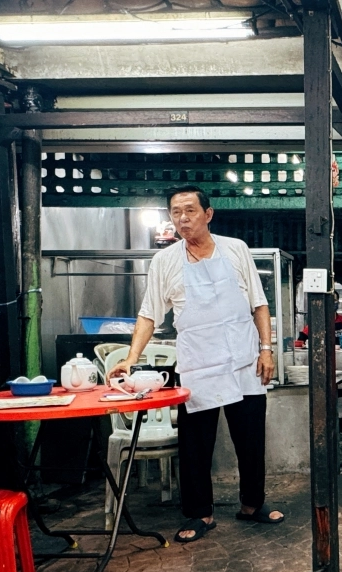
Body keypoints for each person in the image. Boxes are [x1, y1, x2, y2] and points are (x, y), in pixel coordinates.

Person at [108, 186, 284, 543]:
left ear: (208, 214)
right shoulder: (165, 261)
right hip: (199, 363)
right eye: (176, 212)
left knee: (249, 439)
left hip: (243, 360)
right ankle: (200, 513)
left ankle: (252, 504)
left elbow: (259, 305)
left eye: (190, 210)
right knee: (195, 444)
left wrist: (267, 349)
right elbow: (148, 315)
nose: (183, 218)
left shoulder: (236, 249)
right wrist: (130, 358)